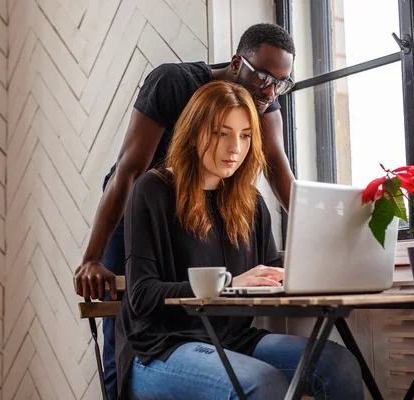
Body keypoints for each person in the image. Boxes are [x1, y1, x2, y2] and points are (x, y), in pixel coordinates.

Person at [74, 23, 298, 398]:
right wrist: (92, 257)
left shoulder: (264, 97)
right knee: (130, 320)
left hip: (207, 210)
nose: (269, 91)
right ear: (237, 63)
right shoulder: (174, 83)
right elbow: (129, 170)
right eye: (262, 77)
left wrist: (315, 238)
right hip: (140, 202)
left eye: (280, 83)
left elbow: (278, 169)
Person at [114, 80, 363, 399]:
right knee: (262, 382)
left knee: (338, 364)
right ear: (195, 133)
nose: (235, 147)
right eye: (222, 133)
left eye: (245, 135)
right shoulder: (153, 190)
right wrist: (227, 284)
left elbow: (269, 270)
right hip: (159, 347)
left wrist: (310, 273)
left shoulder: (252, 203)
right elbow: (141, 294)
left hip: (233, 340)